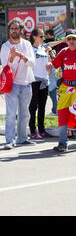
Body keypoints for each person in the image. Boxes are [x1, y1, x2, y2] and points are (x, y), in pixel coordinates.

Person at [0, 19, 36, 149]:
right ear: (9, 31)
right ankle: (9, 140)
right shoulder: (5, 47)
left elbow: (32, 63)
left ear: (21, 30)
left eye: (16, 28)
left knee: (25, 113)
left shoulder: (26, 44)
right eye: (12, 29)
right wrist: (12, 57)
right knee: (11, 114)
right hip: (12, 85)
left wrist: (21, 56)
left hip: (26, 83)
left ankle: (22, 138)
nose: (14, 31)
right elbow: (5, 67)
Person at [29, 28, 52, 139]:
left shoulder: (43, 48)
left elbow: (51, 43)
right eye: (41, 36)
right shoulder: (30, 49)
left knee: (42, 107)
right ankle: (33, 130)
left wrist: (62, 41)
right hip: (34, 81)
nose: (43, 38)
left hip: (44, 80)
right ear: (34, 37)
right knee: (33, 107)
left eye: (44, 36)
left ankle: (42, 130)